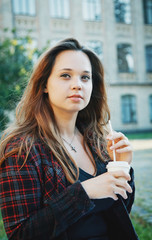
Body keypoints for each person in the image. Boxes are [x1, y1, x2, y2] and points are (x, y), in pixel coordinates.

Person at [0, 38, 139, 240]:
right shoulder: (22, 149)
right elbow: (21, 235)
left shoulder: (98, 141)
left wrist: (122, 166)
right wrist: (84, 192)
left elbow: (119, 213)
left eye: (85, 77)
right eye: (66, 75)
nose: (77, 85)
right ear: (44, 84)